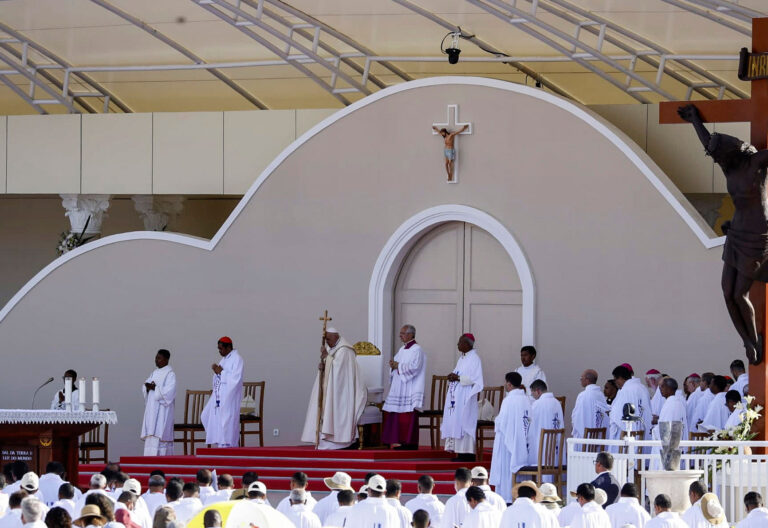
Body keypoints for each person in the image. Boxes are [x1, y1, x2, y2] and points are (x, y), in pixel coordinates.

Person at [679, 103, 768, 365]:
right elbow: (708, 143)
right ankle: (746, 342)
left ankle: (755, 340)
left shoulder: (757, 162)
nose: (719, 160)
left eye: (721, 156)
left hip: (757, 235)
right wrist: (695, 119)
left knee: (740, 293)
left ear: (731, 151)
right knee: (726, 292)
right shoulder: (729, 166)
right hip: (736, 231)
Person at [301, 328, 367, 450]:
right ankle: (324, 441)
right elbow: (330, 366)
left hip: (341, 392)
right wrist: (322, 365)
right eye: (326, 340)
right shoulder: (333, 349)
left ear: (336, 337)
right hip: (330, 390)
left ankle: (341, 441)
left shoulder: (345, 350)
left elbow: (339, 370)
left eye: (329, 339)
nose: (327, 342)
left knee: (336, 412)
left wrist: (327, 357)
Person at [382, 325, 427, 450]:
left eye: (403, 333)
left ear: (411, 334)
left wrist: (398, 366)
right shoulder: (402, 349)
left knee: (407, 416)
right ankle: (401, 442)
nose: (400, 335)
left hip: (410, 387)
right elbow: (397, 364)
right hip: (400, 386)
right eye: (400, 333)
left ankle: (410, 443)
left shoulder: (417, 350)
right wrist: (393, 365)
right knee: (398, 415)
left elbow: (415, 367)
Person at [489, 372, 531, 503]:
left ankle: (506, 497)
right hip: (523, 442)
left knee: (506, 467)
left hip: (508, 442)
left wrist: (496, 421)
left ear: (509, 384)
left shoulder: (508, 400)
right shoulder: (526, 399)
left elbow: (502, 422)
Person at [441, 334, 484, 462]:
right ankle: (459, 453)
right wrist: (453, 376)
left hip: (466, 397)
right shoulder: (462, 359)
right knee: (457, 422)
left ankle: (467, 455)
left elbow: (476, 379)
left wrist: (458, 378)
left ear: (467, 344)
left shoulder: (475, 359)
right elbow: (459, 374)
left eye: (460, 342)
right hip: (457, 397)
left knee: (464, 422)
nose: (457, 345)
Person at [201, 337, 244, 448]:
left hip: (230, 398)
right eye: (218, 349)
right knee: (206, 416)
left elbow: (236, 380)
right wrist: (216, 372)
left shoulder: (237, 359)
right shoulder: (224, 360)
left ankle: (228, 449)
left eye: (221, 349)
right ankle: (220, 447)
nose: (219, 351)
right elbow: (218, 377)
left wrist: (221, 372)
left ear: (228, 347)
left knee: (226, 424)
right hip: (219, 397)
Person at [141, 349, 176, 456]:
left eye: (159, 358)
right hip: (152, 409)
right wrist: (146, 387)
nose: (156, 360)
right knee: (151, 434)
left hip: (162, 411)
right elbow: (145, 386)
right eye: (156, 358)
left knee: (160, 434)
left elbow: (169, 393)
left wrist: (155, 388)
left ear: (166, 359)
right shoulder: (154, 373)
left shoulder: (170, 374)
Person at [609, 365, 652, 439]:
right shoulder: (643, 388)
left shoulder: (625, 390)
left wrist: (610, 413)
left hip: (627, 433)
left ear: (620, 378)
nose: (615, 383)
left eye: (615, 380)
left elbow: (616, 415)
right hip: (642, 431)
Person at [528, 380, 564, 465]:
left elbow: (530, 424)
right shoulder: (557, 403)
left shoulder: (537, 404)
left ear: (538, 391)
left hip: (542, 448)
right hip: (555, 445)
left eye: (532, 393)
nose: (532, 396)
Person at [572, 370, 609, 439]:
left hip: (585, 438)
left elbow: (576, 417)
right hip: (599, 436)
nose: (580, 380)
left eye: (581, 378)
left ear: (587, 380)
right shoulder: (600, 395)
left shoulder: (583, 395)